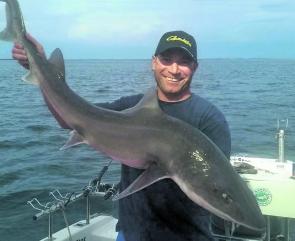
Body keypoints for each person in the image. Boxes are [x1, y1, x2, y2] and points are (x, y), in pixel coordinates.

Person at [12, 30, 231, 241]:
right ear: (154, 62)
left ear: (195, 67)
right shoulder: (131, 106)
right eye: (166, 59)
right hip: (131, 233)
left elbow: (218, 184)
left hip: (187, 236)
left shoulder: (209, 119)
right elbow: (69, 118)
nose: (174, 69)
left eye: (184, 61)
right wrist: (42, 71)